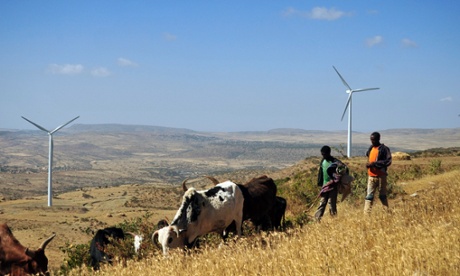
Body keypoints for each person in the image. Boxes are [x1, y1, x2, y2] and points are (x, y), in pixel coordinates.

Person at [364, 132, 392, 213]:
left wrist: (374, 164)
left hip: (381, 176)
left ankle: (386, 212)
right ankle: (366, 215)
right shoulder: (371, 148)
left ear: (378, 139)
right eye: (371, 140)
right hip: (371, 176)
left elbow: (388, 161)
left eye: (374, 140)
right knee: (369, 196)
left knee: (382, 196)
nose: (372, 141)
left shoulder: (384, 149)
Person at [315, 145, 343, 222]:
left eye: (324, 154)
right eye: (322, 154)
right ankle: (317, 220)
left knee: (331, 203)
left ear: (329, 153)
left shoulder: (335, 162)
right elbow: (321, 173)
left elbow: (343, 169)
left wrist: (335, 180)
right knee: (322, 203)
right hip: (324, 186)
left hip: (333, 186)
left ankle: (334, 220)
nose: (323, 156)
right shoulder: (322, 161)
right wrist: (320, 184)